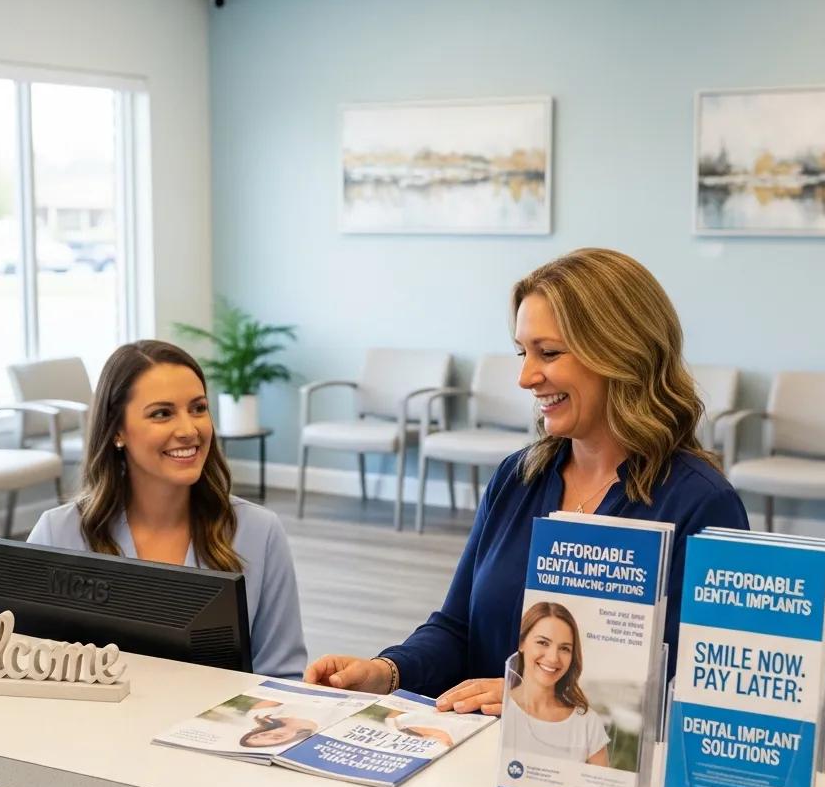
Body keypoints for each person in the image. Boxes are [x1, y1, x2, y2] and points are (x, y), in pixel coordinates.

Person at [305, 248, 749, 712]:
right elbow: (458, 628)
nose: (525, 377)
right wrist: (386, 672)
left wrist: (536, 698)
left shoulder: (702, 504)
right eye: (522, 352)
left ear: (622, 353)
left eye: (549, 353)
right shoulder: (517, 479)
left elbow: (698, 692)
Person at [27, 340, 307, 679]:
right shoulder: (57, 533)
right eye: (162, 413)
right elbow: (29, 669)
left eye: (198, 408)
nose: (189, 430)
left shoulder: (259, 532)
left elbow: (283, 677)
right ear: (117, 430)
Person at [509, 602, 609, 765]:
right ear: (521, 643)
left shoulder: (587, 722)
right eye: (543, 643)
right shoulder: (500, 706)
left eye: (564, 648)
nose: (553, 658)